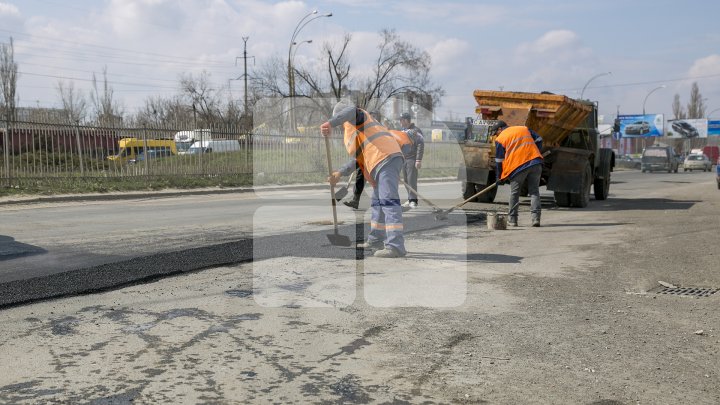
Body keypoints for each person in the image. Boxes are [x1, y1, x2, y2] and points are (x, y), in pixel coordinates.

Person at [321, 101, 407, 258]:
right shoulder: (355, 132)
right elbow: (358, 159)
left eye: (340, 120)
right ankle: (375, 240)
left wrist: (330, 123)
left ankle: (396, 246)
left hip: (386, 157)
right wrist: (340, 173)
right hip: (380, 161)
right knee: (378, 203)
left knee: (388, 201)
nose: (340, 124)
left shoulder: (359, 117)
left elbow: (351, 110)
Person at [492, 121, 543, 227]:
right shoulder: (523, 129)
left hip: (517, 167)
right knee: (534, 192)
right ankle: (536, 219)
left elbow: (499, 160)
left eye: (496, 133)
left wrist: (499, 177)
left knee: (515, 193)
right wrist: (536, 152)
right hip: (536, 163)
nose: (496, 135)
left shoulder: (500, 139)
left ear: (500, 129)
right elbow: (539, 139)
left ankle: (513, 220)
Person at [398, 112, 424, 208]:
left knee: (411, 180)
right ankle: (410, 199)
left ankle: (414, 201)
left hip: (412, 158)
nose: (400, 122)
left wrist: (418, 160)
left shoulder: (415, 131)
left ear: (405, 120)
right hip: (404, 158)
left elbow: (420, 144)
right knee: (406, 180)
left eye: (401, 120)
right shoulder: (403, 130)